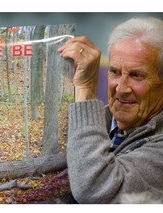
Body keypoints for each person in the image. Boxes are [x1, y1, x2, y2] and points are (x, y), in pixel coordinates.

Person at [58, 17, 163, 203]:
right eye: (114, 72)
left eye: (137, 75)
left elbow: (94, 189)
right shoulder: (102, 121)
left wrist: (86, 89)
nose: (121, 88)